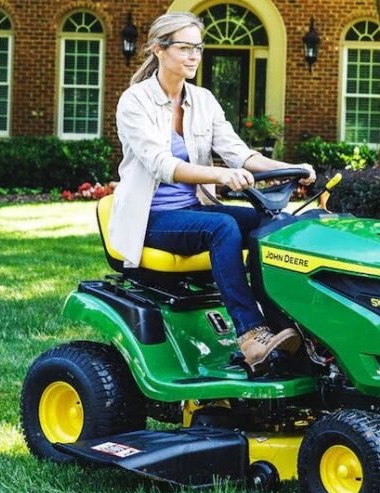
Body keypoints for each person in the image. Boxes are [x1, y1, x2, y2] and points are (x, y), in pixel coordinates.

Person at [109, 12, 315, 373]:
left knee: (275, 224)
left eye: (198, 48)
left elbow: (240, 154)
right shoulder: (134, 101)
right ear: (159, 50)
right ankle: (251, 335)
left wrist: (292, 167)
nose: (194, 56)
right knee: (222, 227)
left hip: (193, 210)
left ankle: (285, 325)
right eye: (185, 48)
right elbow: (161, 164)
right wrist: (221, 174)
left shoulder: (203, 100)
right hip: (151, 219)